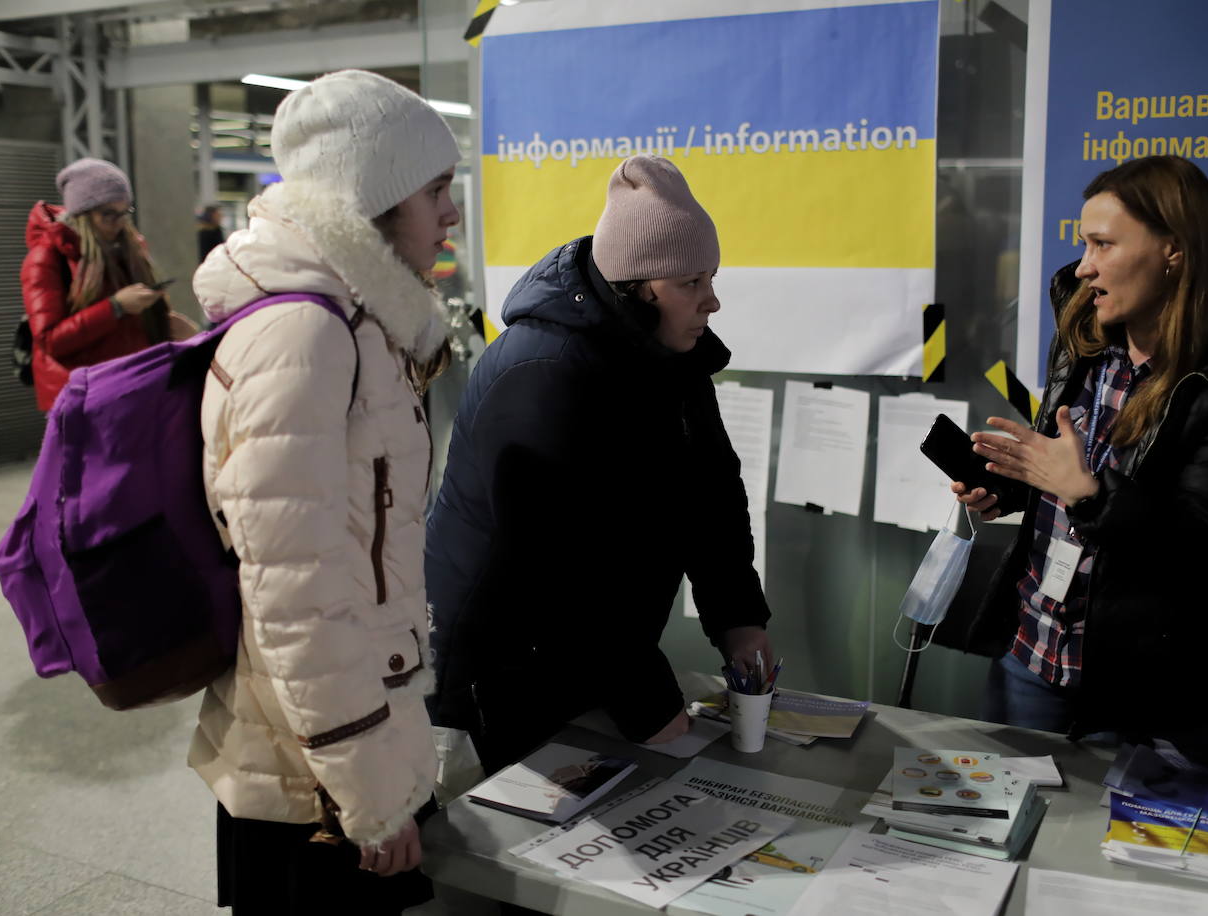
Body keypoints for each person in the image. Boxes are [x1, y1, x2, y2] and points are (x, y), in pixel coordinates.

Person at [187, 69, 458, 913]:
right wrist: (368, 790)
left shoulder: (364, 323)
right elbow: (292, 593)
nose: (450, 212)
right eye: (436, 190)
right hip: (316, 777)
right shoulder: (305, 332)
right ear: (374, 198)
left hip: (347, 739)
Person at [952, 156, 1208, 747]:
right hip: (1034, 653)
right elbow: (1082, 473)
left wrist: (1086, 493)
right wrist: (1016, 483)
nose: (1084, 267)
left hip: (1146, 689)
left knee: (1108, 841)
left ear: (1172, 250)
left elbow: (1203, 542)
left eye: (1103, 244)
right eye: (1083, 245)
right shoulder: (1087, 334)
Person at [426, 155, 773, 774]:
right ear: (639, 287)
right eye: (692, 283)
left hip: (588, 656)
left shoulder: (670, 356)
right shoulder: (543, 374)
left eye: (711, 279)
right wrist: (649, 704)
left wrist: (738, 617)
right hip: (497, 673)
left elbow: (711, 492)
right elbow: (563, 576)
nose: (711, 302)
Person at [20, 157, 193, 412]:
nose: (119, 223)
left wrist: (166, 327)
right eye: (108, 214)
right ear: (82, 214)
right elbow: (50, 341)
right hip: (85, 401)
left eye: (125, 213)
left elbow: (127, 332)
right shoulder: (46, 258)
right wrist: (115, 307)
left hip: (133, 388)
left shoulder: (130, 248)